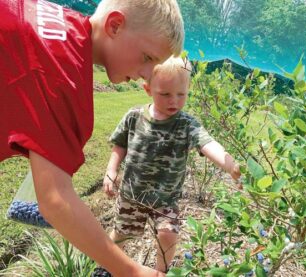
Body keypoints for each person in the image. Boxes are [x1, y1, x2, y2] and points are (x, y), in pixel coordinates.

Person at [0, 0, 184, 276]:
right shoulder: (63, 71)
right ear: (115, 25)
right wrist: (131, 271)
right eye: (147, 58)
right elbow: (55, 201)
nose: (147, 76)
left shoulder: (60, 22)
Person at [101, 56, 241, 275]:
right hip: (132, 195)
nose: (173, 101)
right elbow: (120, 145)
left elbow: (208, 144)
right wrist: (111, 171)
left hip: (165, 200)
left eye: (181, 94)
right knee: (121, 234)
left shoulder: (187, 124)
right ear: (148, 89)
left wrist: (231, 165)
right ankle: (106, 267)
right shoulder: (134, 117)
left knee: (169, 234)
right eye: (165, 94)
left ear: (188, 90)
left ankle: (161, 272)